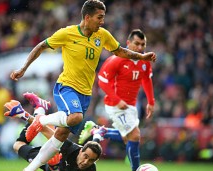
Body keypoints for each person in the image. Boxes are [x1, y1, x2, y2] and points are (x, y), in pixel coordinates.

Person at [10, 1, 156, 170]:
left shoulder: (102, 35)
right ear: (87, 17)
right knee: (76, 117)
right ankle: (40, 120)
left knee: (61, 135)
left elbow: (120, 51)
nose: (102, 21)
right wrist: (23, 68)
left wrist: (141, 57)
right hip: (66, 86)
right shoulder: (67, 33)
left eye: (103, 17)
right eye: (99, 17)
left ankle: (29, 168)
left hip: (85, 94)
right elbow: (41, 46)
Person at [79, 29, 155, 171]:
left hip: (131, 106)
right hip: (115, 105)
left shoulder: (144, 61)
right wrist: (117, 100)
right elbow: (102, 81)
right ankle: (136, 169)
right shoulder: (117, 59)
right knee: (134, 135)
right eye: (136, 44)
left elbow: (146, 80)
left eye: (142, 45)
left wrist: (151, 101)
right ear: (128, 43)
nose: (139, 48)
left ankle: (98, 131)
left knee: (128, 138)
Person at [4, 93, 102, 171]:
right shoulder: (70, 149)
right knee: (17, 145)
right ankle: (40, 109)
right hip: (48, 160)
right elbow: (45, 129)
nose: (86, 162)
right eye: (85, 156)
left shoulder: (91, 169)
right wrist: (24, 116)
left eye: (91, 160)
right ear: (80, 151)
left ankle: (40, 108)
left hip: (53, 167)